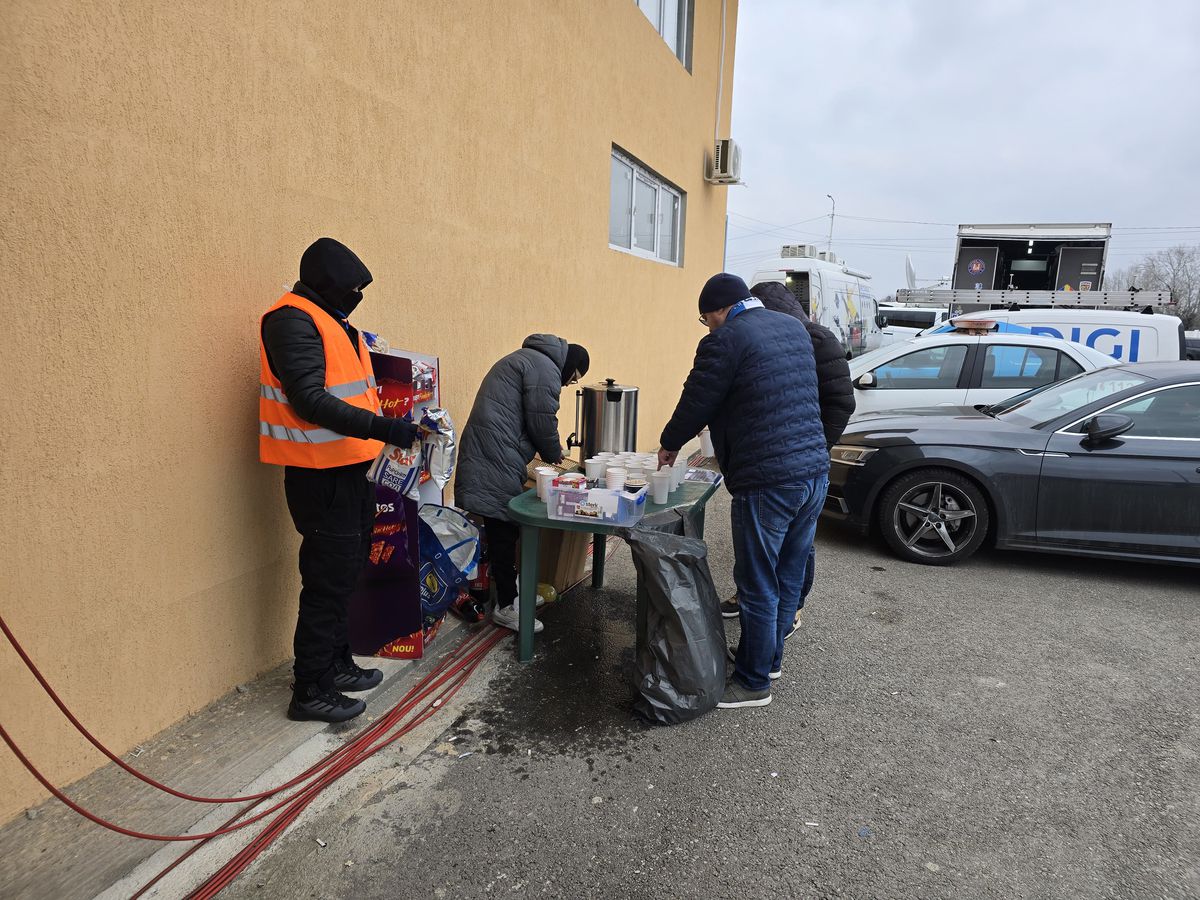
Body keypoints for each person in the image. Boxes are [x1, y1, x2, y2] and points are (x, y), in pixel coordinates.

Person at [260, 237, 421, 724]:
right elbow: (308, 398)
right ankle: (310, 688)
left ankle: (336, 663)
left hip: (352, 469)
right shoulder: (291, 319)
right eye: (352, 288)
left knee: (348, 571)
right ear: (328, 283)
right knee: (327, 583)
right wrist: (385, 428)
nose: (358, 296)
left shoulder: (334, 322)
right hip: (319, 476)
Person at [658, 273, 828, 709]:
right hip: (813, 471)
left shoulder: (725, 339)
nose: (708, 326)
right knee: (788, 573)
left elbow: (698, 398)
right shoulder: (792, 327)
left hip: (768, 478)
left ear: (720, 309)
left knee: (756, 581)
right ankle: (768, 660)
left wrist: (669, 443)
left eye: (705, 318)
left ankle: (753, 682)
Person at [719, 280, 855, 638]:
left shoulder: (817, 341)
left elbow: (841, 403)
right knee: (761, 551)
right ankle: (761, 628)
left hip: (798, 465)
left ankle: (792, 610)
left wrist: (811, 448)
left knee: (793, 552)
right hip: (771, 462)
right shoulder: (756, 340)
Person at [454, 336, 590, 632]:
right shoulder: (546, 370)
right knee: (503, 529)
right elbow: (543, 422)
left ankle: (513, 592)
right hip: (494, 455)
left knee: (505, 528)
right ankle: (506, 606)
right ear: (569, 366)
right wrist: (556, 455)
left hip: (489, 450)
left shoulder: (529, 358)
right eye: (574, 379)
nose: (569, 384)